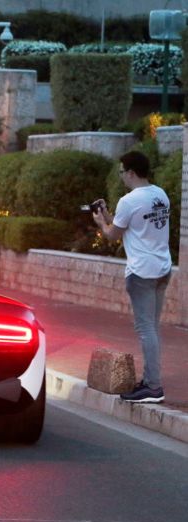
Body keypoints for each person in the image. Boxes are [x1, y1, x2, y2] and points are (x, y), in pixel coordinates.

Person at [93, 151, 172, 403]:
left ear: (130, 172)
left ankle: (152, 386)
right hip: (162, 268)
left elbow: (113, 234)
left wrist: (99, 222)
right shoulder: (160, 195)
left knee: (146, 329)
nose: (121, 176)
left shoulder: (130, 200)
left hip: (141, 273)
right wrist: (107, 215)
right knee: (152, 328)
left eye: (121, 172)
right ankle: (151, 380)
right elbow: (127, 225)